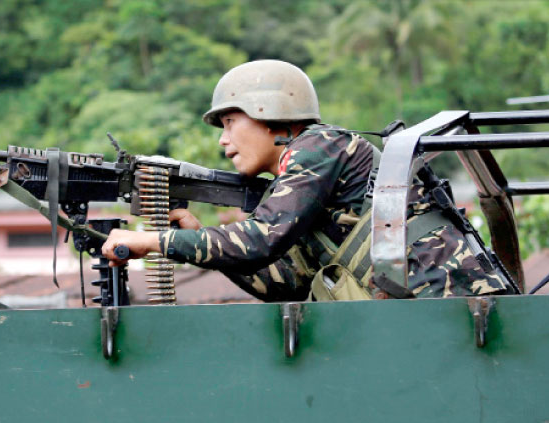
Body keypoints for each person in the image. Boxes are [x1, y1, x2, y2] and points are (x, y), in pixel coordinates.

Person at [101, 60, 508, 301]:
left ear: (268, 112)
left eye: (228, 122)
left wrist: (153, 241)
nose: (224, 139)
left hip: (455, 304)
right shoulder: (301, 182)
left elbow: (259, 241)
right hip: (439, 311)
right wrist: (194, 235)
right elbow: (285, 283)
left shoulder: (318, 147)